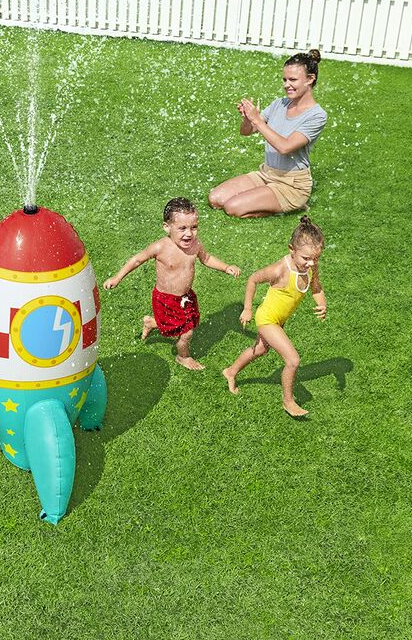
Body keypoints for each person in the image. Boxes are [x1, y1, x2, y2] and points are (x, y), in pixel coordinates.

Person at [104, 197, 240, 372]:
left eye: (193, 227)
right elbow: (137, 260)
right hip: (166, 299)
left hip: (186, 296)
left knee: (180, 324)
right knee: (186, 332)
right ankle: (183, 356)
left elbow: (206, 259)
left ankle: (151, 323)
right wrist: (117, 277)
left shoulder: (195, 245)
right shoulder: (161, 247)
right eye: (182, 228)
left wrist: (226, 267)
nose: (189, 234)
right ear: (167, 227)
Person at [223, 215, 327, 416]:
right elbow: (253, 279)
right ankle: (288, 402)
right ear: (291, 249)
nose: (311, 263)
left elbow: (316, 287)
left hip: (279, 320)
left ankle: (230, 371)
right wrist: (247, 309)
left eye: (316, 258)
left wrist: (322, 304)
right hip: (267, 319)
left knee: (260, 349)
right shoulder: (280, 270)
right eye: (306, 258)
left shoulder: (311, 267)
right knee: (293, 360)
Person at [208, 49, 328, 219]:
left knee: (232, 208)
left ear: (310, 79)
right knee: (215, 199)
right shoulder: (280, 103)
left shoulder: (317, 115)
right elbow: (246, 132)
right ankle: (266, 197)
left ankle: (293, 204)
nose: (287, 85)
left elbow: (285, 147)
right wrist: (248, 119)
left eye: (293, 80)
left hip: (291, 184)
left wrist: (257, 120)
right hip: (266, 173)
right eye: (285, 79)